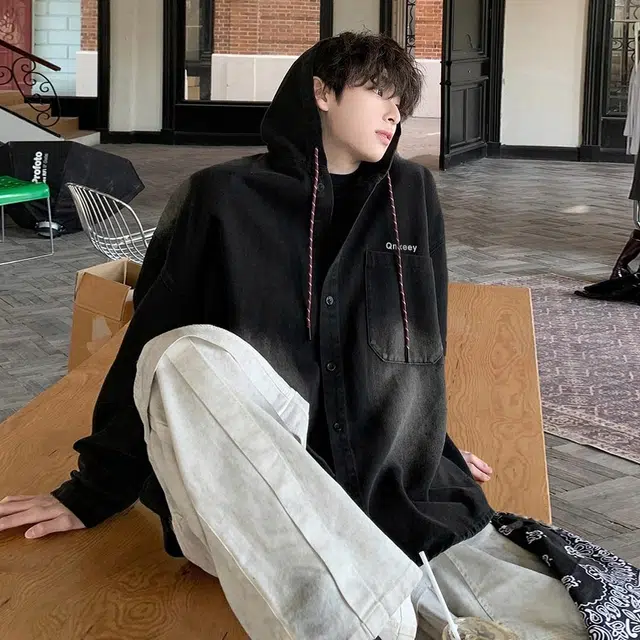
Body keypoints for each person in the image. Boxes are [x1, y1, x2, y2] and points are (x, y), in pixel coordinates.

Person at [0, 32, 625, 639]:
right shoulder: (222, 197)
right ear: (323, 92)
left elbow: (420, 344)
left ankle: (373, 607)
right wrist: (92, 491)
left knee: (574, 619)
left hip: (393, 490)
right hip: (259, 493)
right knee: (179, 355)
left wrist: (433, 437)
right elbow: (149, 346)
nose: (395, 113)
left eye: (403, 101)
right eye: (379, 92)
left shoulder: (412, 195)